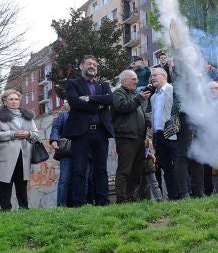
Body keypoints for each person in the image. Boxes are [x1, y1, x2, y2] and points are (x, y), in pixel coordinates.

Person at [64, 55, 114, 206]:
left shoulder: (103, 85)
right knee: (79, 169)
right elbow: (74, 103)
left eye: (95, 64)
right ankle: (78, 203)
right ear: (81, 66)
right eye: (89, 64)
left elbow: (110, 99)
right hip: (81, 133)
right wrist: (99, 103)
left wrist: (89, 98)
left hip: (100, 132)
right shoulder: (72, 83)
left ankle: (102, 201)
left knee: (101, 169)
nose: (92, 66)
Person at [0, 89, 39, 210]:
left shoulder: (28, 117)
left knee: (22, 184)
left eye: (16, 99)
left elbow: (36, 134)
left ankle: (24, 208)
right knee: (5, 184)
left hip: (24, 155)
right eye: (11, 99)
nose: (14, 101)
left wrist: (28, 134)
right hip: (5, 156)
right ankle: (5, 209)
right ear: (5, 102)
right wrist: (13, 134)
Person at [112, 69, 150, 203]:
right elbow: (123, 107)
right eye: (133, 79)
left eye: (136, 79)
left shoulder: (133, 94)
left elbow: (137, 113)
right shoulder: (118, 92)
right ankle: (121, 199)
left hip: (138, 138)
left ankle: (129, 196)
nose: (137, 81)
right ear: (124, 81)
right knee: (125, 169)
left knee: (136, 170)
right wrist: (139, 98)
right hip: (126, 138)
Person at [148, 66, 180, 200]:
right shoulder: (153, 96)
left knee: (179, 165)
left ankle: (185, 193)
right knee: (166, 167)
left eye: (155, 75)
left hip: (172, 134)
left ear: (164, 76)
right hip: (158, 135)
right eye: (152, 76)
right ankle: (173, 196)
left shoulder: (173, 90)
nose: (152, 78)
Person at [49, 103, 72, 207]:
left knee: (83, 178)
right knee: (65, 178)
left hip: (83, 149)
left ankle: (79, 203)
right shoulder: (64, 113)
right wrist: (54, 140)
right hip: (67, 150)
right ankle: (61, 205)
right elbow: (56, 128)